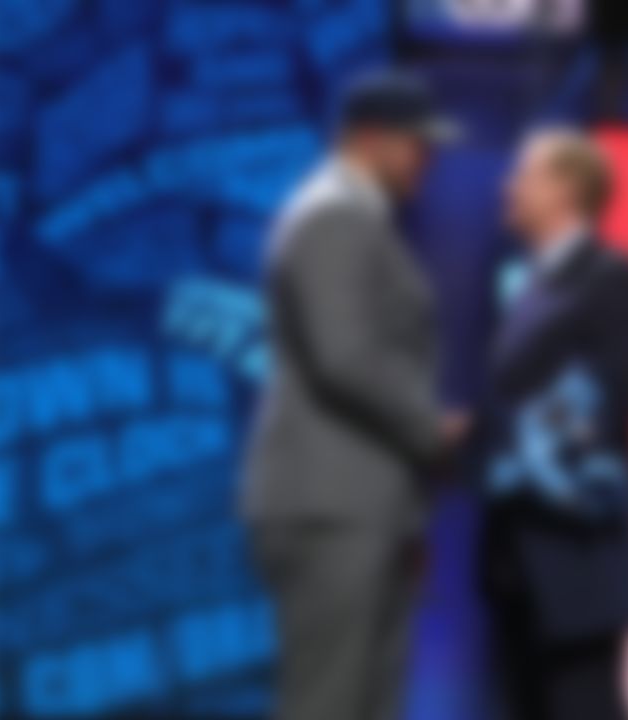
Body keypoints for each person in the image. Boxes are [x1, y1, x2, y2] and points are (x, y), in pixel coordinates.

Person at [240, 70, 469, 720]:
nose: (427, 156)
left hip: (362, 505)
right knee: (330, 706)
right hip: (332, 507)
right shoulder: (330, 215)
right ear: (371, 139)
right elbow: (345, 355)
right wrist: (430, 428)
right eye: (415, 142)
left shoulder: (355, 216)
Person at [480, 128, 628, 720]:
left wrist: (491, 443)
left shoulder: (614, 278)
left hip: (576, 555)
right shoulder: (531, 287)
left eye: (524, 174)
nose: (508, 187)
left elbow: (606, 400)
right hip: (519, 554)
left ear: (566, 189)